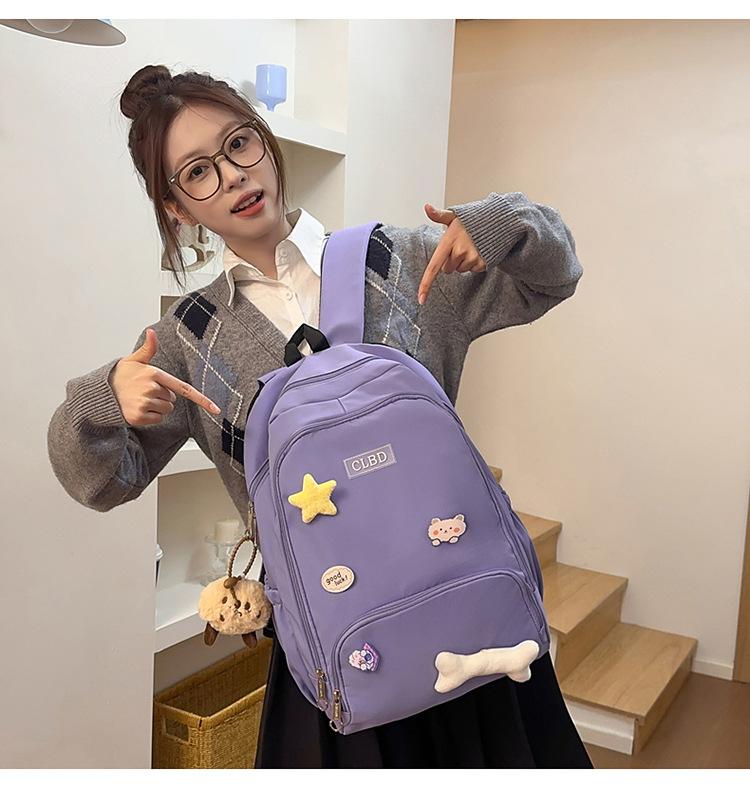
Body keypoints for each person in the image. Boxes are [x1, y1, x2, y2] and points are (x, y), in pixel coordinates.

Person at [47, 64, 592, 769]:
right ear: (176, 207)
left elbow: (553, 276)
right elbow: (98, 482)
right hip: (335, 639)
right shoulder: (187, 339)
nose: (233, 176)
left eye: (239, 144)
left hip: (467, 607)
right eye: (198, 173)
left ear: (265, 141)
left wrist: (502, 222)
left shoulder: (399, 262)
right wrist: (102, 399)